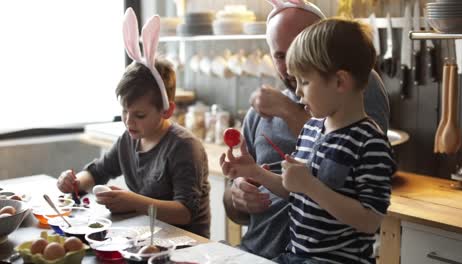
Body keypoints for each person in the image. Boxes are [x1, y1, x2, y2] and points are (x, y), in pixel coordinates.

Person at [222, 1, 390, 259]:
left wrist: (290, 110)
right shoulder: (312, 126)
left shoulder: (365, 120)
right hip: (278, 254)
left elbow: (370, 219)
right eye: (280, 55)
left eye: (305, 78)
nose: (297, 86)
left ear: (339, 79)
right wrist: (248, 176)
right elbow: (292, 186)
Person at [57, 8, 210, 238]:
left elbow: (185, 212)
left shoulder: (184, 147)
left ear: (166, 110)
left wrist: (133, 202)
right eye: (124, 111)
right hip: (146, 238)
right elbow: (98, 172)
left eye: (139, 115)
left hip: (187, 246)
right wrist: (73, 182)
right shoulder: (129, 140)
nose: (129, 121)